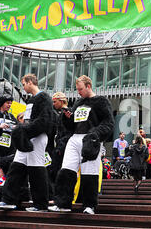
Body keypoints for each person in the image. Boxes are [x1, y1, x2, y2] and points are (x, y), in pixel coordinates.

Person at [48, 75, 114, 215]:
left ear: (89, 86)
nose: (79, 92)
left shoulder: (101, 102)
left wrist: (95, 135)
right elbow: (72, 125)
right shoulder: (78, 103)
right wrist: (68, 118)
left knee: (90, 173)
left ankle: (89, 205)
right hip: (75, 138)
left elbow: (108, 123)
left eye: (81, 89)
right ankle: (62, 203)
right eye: (77, 89)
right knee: (66, 170)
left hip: (90, 140)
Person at [0, 73, 54, 212]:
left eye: (24, 84)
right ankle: (7, 200)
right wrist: (22, 130)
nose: (24, 87)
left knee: (36, 169)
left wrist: (24, 130)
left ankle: (41, 204)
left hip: (36, 137)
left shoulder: (44, 97)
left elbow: (43, 121)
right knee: (16, 167)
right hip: (27, 136)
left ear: (30, 82)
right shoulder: (33, 99)